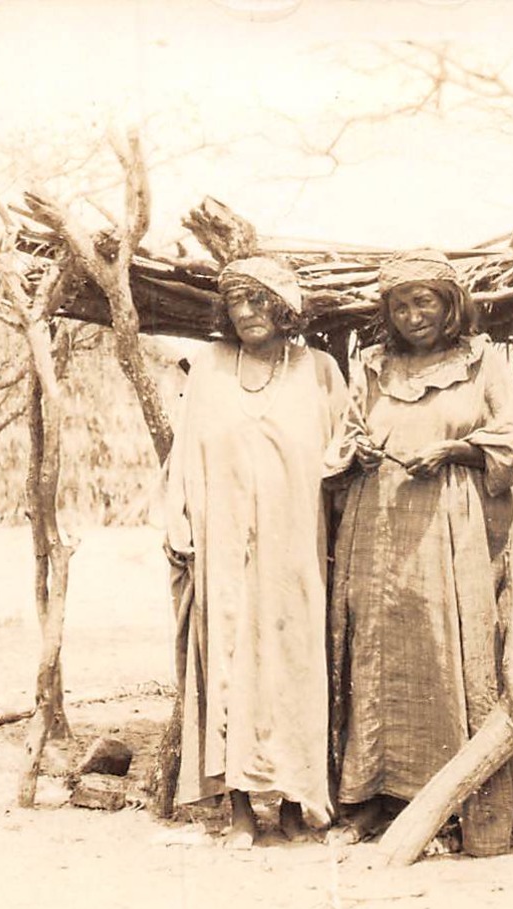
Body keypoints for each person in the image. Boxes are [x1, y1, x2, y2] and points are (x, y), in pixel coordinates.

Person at [329, 250, 513, 856]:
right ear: (386, 312)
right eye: (400, 304)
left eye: (425, 301)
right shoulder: (371, 365)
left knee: (444, 650)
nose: (413, 314)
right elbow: (344, 434)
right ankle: (371, 798)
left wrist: (455, 450)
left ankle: (446, 802)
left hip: (449, 525)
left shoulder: (481, 361)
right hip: (375, 524)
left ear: (449, 306)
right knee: (374, 649)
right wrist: (357, 453)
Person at [160, 256, 354, 848]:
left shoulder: (318, 370)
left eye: (260, 299)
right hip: (225, 547)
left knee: (295, 662)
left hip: (295, 546)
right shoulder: (211, 369)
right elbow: (185, 455)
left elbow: (345, 445)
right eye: (237, 301)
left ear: (286, 306)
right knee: (230, 662)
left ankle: (296, 801)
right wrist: (180, 521)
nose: (248, 312)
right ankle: (241, 806)